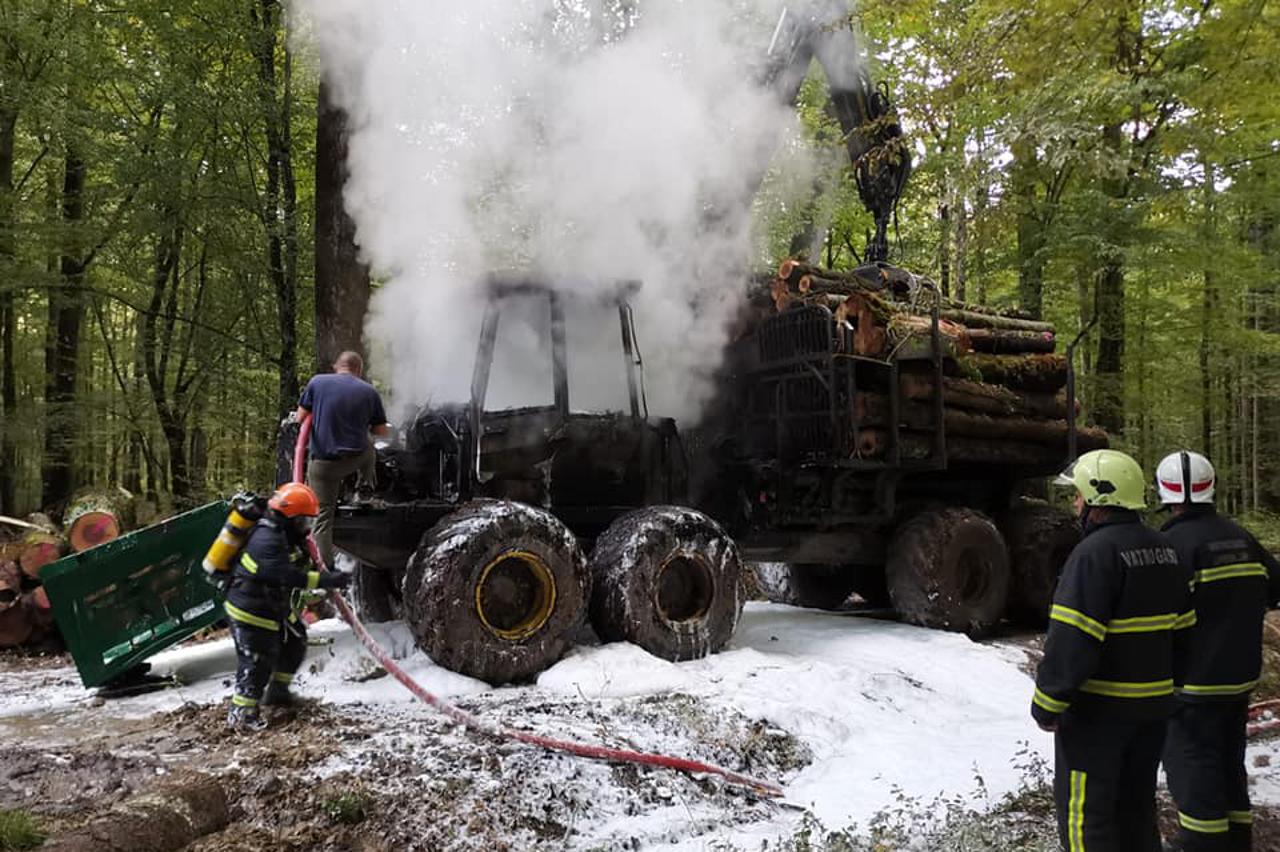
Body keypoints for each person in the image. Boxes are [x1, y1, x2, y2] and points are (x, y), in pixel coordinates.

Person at [1031, 448, 1193, 852]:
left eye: (1079, 495)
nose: (1075, 503)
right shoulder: (1165, 549)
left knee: (1088, 818)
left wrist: (1047, 703)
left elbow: (1072, 640)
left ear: (1099, 498)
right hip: (1153, 713)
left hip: (1098, 718)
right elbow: (1186, 632)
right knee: (1136, 810)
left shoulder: (1092, 555)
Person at [1156, 451, 1280, 851]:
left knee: (1194, 777)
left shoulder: (1169, 545)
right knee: (1230, 772)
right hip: (1238, 682)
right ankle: (1237, 842)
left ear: (1164, 490)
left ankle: (1199, 845)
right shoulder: (1243, 538)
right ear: (1212, 488)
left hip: (1190, 690)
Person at [225, 482, 351, 731]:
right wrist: (325, 580)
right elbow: (284, 576)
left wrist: (323, 569)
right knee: (257, 661)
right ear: (291, 517)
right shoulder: (266, 538)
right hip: (250, 609)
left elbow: (299, 565)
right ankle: (242, 714)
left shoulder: (286, 535)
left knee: (295, 642)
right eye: (304, 521)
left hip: (272, 607)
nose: (307, 527)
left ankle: (278, 693)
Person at [297, 350, 389, 568]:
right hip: (354, 460)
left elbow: (300, 418)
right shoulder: (368, 391)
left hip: (322, 466)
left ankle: (326, 569)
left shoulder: (317, 383)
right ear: (359, 369)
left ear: (337, 366)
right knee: (369, 448)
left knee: (322, 518)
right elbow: (382, 431)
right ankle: (364, 488)